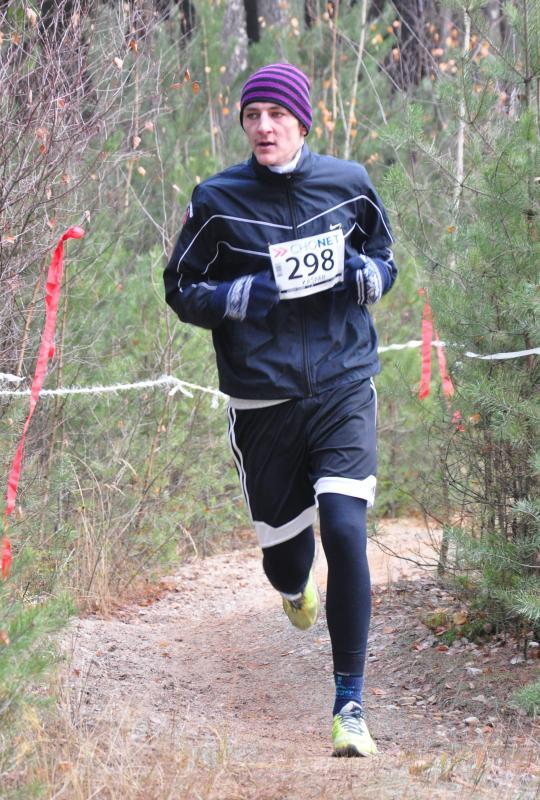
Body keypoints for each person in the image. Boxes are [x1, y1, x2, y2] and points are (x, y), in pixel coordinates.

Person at [164, 63, 397, 757]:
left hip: (342, 383)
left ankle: (350, 705)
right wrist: (240, 296)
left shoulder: (348, 183)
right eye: (252, 116)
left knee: (345, 528)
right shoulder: (217, 200)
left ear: (302, 121)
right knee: (287, 560)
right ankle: (293, 587)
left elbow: (384, 255)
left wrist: (366, 276)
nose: (263, 127)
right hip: (262, 399)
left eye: (276, 115)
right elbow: (180, 287)